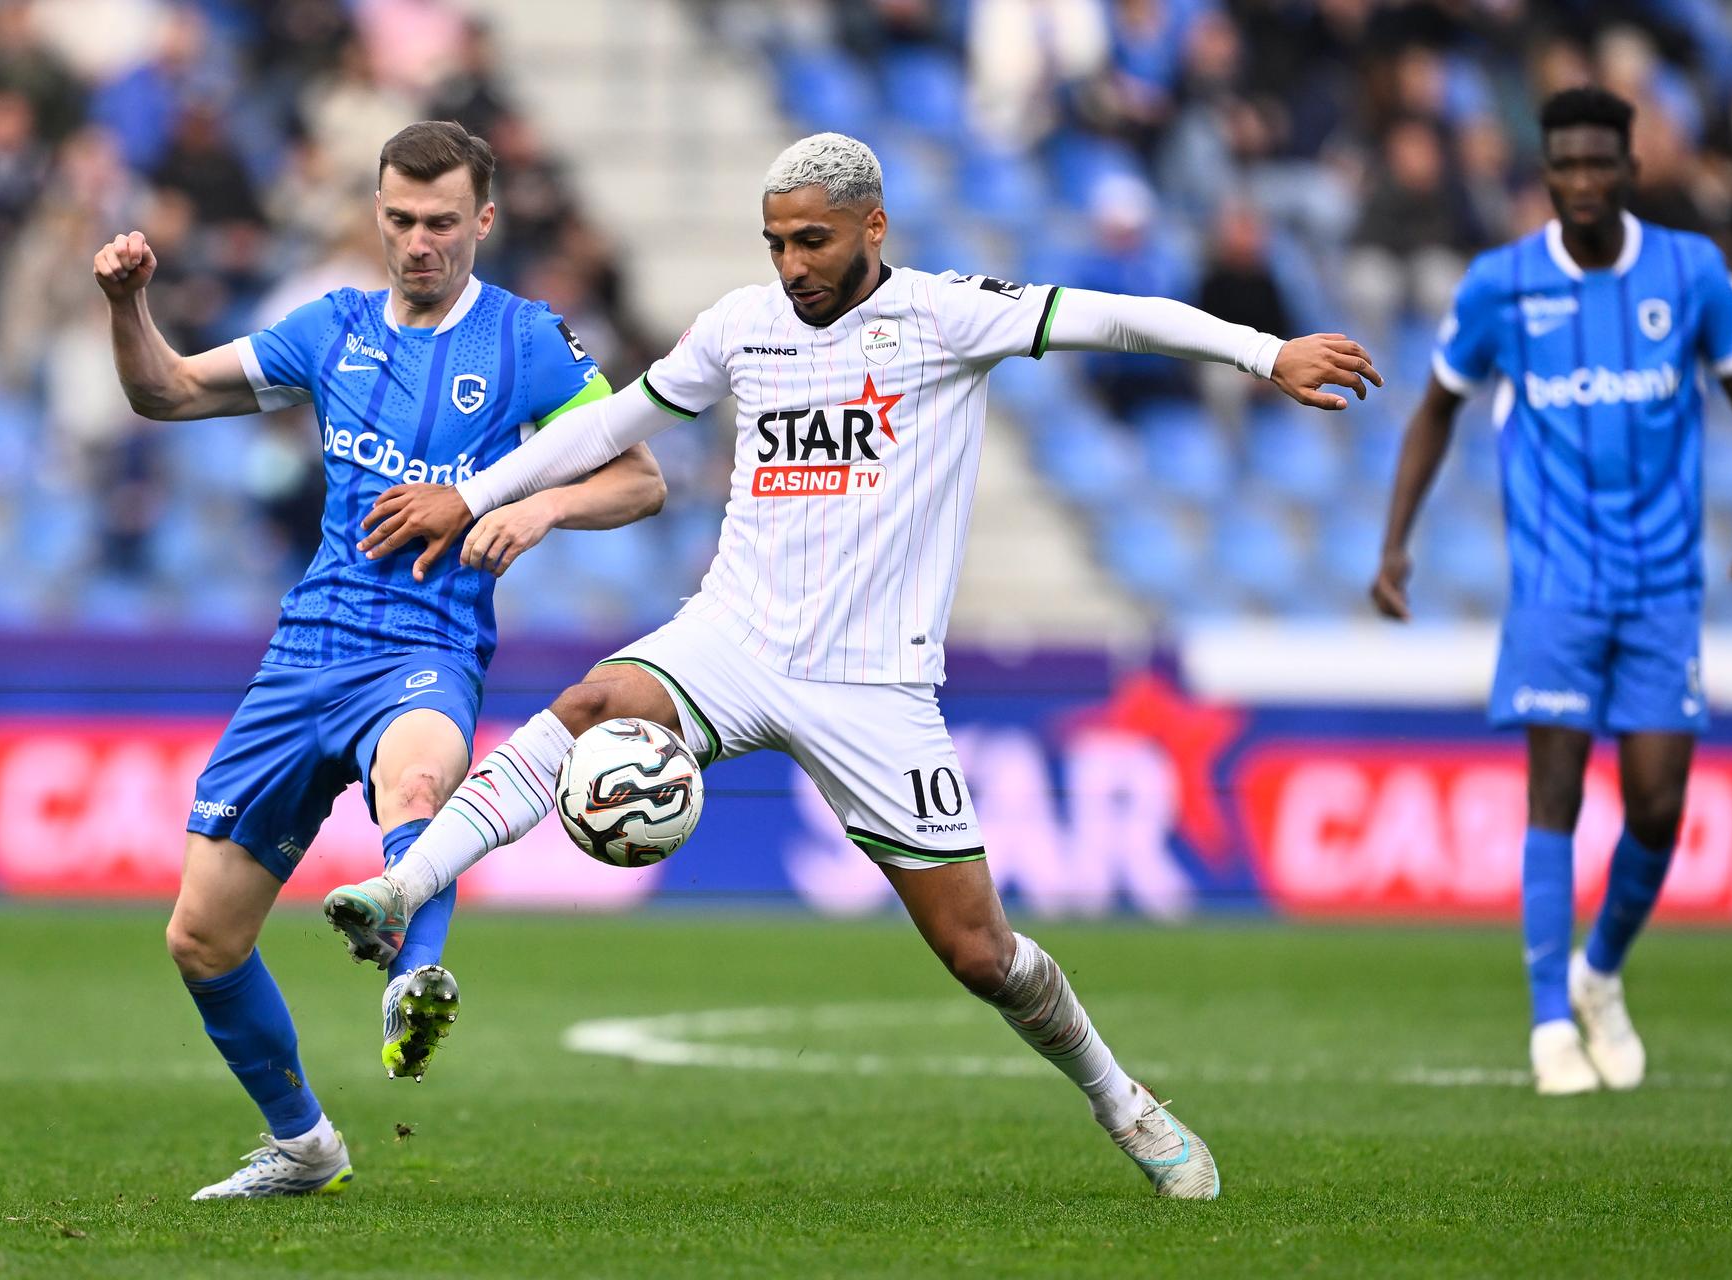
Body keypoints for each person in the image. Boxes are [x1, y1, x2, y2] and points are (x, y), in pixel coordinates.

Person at [324, 131, 1380, 1200]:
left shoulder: (944, 313)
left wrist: (1264, 351)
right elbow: (617, 423)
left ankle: (1123, 1100)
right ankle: (400, 885)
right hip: (731, 635)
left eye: (814, 242)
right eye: (777, 243)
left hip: (871, 684)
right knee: (595, 699)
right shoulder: (743, 326)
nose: (793, 266)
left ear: (874, 228)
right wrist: (478, 494)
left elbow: (1108, 314)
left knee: (981, 954)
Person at [95, 120, 665, 1199]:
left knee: (417, 778)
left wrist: (537, 505)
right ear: (378, 215)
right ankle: (304, 1141)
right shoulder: (333, 328)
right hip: (305, 648)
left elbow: (641, 480)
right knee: (201, 938)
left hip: (427, 642)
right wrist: (127, 305)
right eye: (400, 219)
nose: (419, 241)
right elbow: (162, 391)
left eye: (442, 221)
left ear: (483, 221)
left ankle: (415, 980)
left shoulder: (528, 341)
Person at [1370, 88, 1732, 1095]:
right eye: (1567, 164)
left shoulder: (1691, 274)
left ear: (1630, 165)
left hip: (1664, 582)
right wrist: (1394, 545)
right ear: (1543, 172)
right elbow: (1432, 412)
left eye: (1602, 162)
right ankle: (1551, 1020)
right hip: (1554, 582)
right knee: (1553, 790)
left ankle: (1599, 972)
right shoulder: (1501, 286)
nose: (1584, 181)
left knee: (1659, 799)